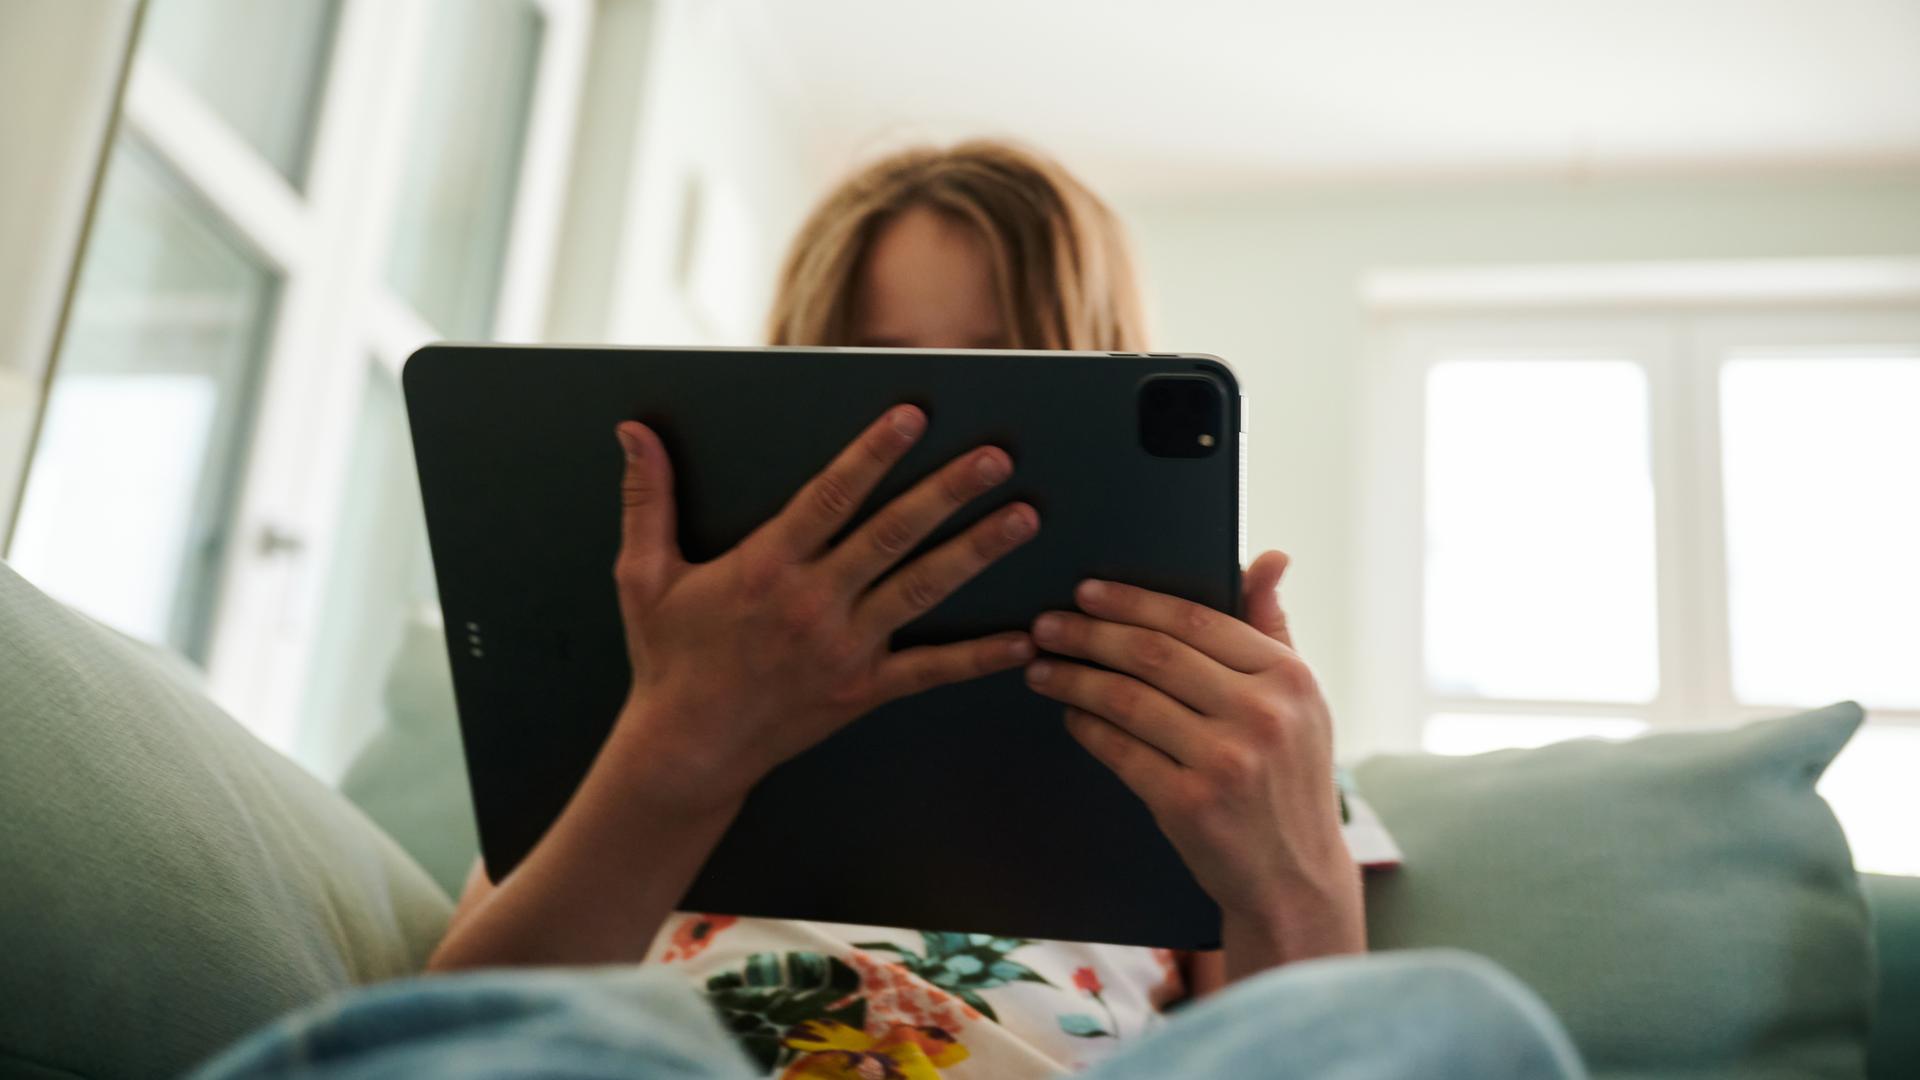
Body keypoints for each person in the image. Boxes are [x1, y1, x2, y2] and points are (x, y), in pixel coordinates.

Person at [208, 142, 1579, 1080]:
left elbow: (1307, 1039)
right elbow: (450, 1030)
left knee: (1452, 1020)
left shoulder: (1215, 719)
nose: (915, 440)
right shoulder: (635, 711)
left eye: (991, 379)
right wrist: (680, 747)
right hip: (660, 1059)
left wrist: (1291, 872)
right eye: (856, 378)